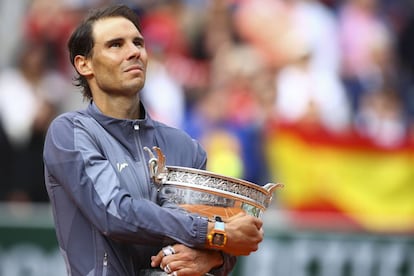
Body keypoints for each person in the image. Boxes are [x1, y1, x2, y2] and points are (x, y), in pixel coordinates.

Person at [43, 4, 264, 276]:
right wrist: (214, 234)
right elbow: (115, 213)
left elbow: (224, 239)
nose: (134, 51)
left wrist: (214, 258)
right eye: (115, 45)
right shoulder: (70, 132)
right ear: (84, 64)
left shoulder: (185, 146)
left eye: (138, 42)